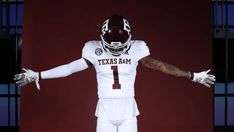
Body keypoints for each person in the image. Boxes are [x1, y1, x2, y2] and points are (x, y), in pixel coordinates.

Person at [14, 14, 215, 132]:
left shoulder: (137, 49)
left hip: (128, 110)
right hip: (105, 110)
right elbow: (70, 68)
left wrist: (193, 75)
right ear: (102, 37)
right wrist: (38, 75)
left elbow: (161, 66)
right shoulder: (93, 49)